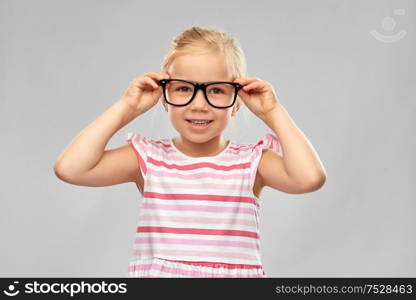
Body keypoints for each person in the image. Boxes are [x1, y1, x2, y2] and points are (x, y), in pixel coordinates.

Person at [54, 26, 327, 278]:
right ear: (164, 98)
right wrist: (128, 107)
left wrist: (272, 111)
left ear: (237, 101)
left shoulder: (251, 163)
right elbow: (71, 168)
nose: (199, 105)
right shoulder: (149, 159)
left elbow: (309, 178)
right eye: (184, 89)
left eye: (216, 90)